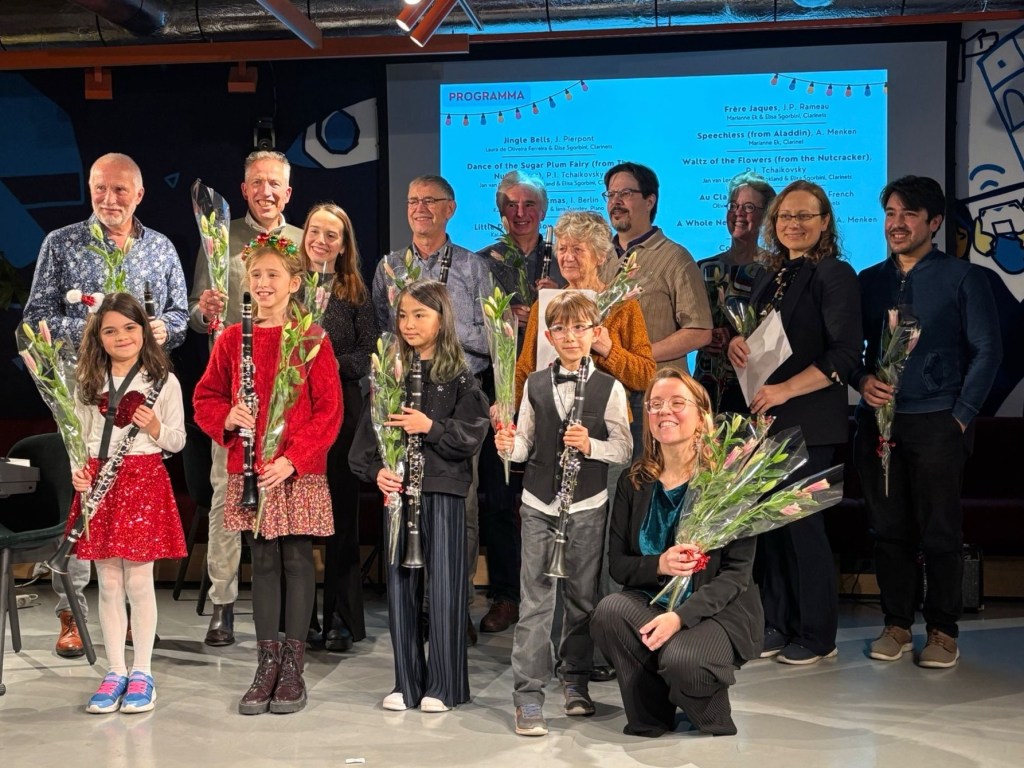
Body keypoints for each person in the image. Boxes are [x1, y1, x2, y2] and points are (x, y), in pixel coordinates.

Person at [23, 152, 188, 660]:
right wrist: (101, 328)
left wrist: (159, 329)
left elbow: (179, 316)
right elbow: (36, 319)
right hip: (85, 391)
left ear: (139, 194)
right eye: (100, 188)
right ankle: (71, 612)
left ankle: (135, 618)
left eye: (120, 190)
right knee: (83, 498)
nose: (109, 199)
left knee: (129, 512)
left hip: (142, 389)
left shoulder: (160, 248)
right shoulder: (61, 243)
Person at [851, 176, 1001, 668]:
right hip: (878, 425)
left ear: (934, 222)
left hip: (938, 422)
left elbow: (988, 352)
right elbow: (849, 351)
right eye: (891, 213)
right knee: (887, 529)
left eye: (910, 215)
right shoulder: (868, 280)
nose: (897, 224)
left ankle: (942, 631)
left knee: (940, 532)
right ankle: (895, 625)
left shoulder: (964, 278)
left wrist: (960, 417)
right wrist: (860, 380)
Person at [193, 237, 342, 715]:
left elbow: (329, 411)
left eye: (273, 275)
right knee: (263, 562)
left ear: (294, 283)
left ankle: (293, 667)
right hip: (251, 467)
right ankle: (266, 665)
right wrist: (228, 416)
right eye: (255, 275)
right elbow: (206, 397)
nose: (262, 283)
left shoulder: (313, 338)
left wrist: (293, 459)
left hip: (293, 471)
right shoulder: (232, 339)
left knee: (297, 559)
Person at [727, 180, 861, 665]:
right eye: (786, 216)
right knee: (772, 530)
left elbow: (845, 355)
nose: (794, 224)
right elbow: (764, 341)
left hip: (810, 422)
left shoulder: (835, 274)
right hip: (768, 420)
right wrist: (737, 345)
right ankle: (779, 623)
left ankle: (817, 635)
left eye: (805, 216)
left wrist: (785, 390)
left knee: (803, 530)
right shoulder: (773, 274)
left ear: (825, 222)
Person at [591, 368, 762, 737]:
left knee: (681, 658)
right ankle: (651, 715)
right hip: (654, 601)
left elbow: (737, 574)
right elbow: (618, 565)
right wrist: (660, 564)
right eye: (655, 404)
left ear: (702, 415)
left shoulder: (728, 481)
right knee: (609, 611)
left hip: (716, 611)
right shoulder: (633, 481)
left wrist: (680, 617)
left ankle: (712, 715)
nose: (664, 411)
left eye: (676, 403)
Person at [350, 280, 489, 713]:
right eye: (403, 315)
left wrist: (430, 427)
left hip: (442, 491)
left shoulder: (459, 376)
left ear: (441, 320)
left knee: (445, 589)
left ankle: (445, 686)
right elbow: (365, 443)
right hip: (399, 493)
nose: (408, 324)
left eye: (420, 315)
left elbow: (471, 435)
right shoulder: (389, 375)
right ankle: (406, 683)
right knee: (401, 588)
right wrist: (377, 472)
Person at [496, 291, 631, 737]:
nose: (570, 336)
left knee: (582, 600)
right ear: (549, 336)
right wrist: (507, 446)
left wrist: (590, 445)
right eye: (561, 329)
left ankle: (576, 681)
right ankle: (528, 695)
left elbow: (623, 449)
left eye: (579, 328)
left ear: (595, 333)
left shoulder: (610, 387)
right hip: (539, 504)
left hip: (587, 506)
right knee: (535, 601)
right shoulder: (535, 384)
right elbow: (524, 445)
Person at [371, 174, 494, 643]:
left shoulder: (472, 266)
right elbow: (383, 333)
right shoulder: (389, 267)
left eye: (430, 201)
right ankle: (414, 607)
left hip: (456, 396)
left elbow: (494, 335)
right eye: (412, 201)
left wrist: (440, 328)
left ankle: (454, 608)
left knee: (460, 507)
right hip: (403, 396)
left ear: (450, 208)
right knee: (406, 502)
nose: (420, 208)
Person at [189, 150, 304, 647]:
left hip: (288, 391)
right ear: (243, 190)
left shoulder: (304, 240)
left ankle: (283, 604)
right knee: (226, 493)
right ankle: (223, 603)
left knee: (284, 491)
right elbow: (198, 316)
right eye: (257, 182)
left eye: (274, 183)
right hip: (236, 390)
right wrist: (204, 310)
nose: (266, 191)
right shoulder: (218, 238)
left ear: (288, 192)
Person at [67, 293, 187, 714]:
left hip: (143, 478)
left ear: (144, 331)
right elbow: (76, 437)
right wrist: (78, 471)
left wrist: (154, 426)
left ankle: (142, 673)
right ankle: (115, 670)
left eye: (130, 328)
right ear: (98, 336)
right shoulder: (88, 382)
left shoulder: (163, 381)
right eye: (110, 330)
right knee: (109, 582)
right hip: (99, 482)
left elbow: (177, 441)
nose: (121, 337)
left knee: (138, 581)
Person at [474, 170, 563, 635]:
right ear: (500, 211)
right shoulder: (482, 263)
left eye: (529, 204)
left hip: (555, 391)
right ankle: (506, 594)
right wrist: (504, 319)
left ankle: (554, 596)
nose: (520, 213)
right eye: (511, 205)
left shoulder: (564, 260)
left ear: (543, 211)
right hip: (501, 391)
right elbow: (467, 326)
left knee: (553, 493)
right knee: (499, 496)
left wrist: (553, 303)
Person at [302, 202, 377, 651]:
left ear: (344, 244)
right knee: (298, 519)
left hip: (341, 412)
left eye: (332, 235)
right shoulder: (289, 284)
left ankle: (342, 620)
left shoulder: (355, 292)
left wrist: (325, 362)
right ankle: (301, 619)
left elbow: (369, 353)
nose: (321, 241)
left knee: (341, 516)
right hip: (293, 411)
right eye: (315, 231)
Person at [598, 162, 712, 377]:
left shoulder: (675, 257)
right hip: (605, 387)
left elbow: (699, 331)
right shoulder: (598, 257)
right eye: (611, 194)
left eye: (625, 193)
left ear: (649, 201)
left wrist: (637, 356)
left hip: (656, 389)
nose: (616, 201)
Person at [696, 172, 776, 413]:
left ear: (766, 216)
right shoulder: (704, 268)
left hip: (756, 389)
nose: (738, 213)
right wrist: (703, 336)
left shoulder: (776, 269)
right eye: (733, 206)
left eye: (748, 207)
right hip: (706, 386)